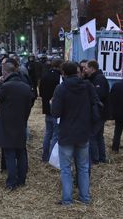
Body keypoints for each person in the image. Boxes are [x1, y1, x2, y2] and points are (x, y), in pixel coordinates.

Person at [51, 61, 93, 205]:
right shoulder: (87, 86)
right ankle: (85, 198)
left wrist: (53, 104)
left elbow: (55, 112)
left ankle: (67, 200)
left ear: (63, 73)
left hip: (67, 132)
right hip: (83, 131)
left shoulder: (61, 89)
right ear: (77, 71)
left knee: (66, 169)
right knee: (83, 167)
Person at [0, 62, 33, 190]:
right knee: (21, 152)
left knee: (9, 154)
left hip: (6, 124)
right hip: (20, 122)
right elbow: (29, 104)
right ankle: (22, 180)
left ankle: (11, 182)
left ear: (4, 73)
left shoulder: (5, 87)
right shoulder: (25, 87)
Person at [85, 60, 110, 164]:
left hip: (99, 112)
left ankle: (95, 159)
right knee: (99, 135)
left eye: (86, 68)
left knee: (93, 135)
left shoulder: (99, 79)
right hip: (99, 112)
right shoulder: (94, 78)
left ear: (92, 68)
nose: (85, 70)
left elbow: (98, 96)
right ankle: (101, 158)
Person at [38, 58, 63, 162]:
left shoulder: (45, 75)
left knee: (48, 133)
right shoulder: (59, 78)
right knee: (55, 135)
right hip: (56, 109)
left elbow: (41, 92)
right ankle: (51, 158)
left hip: (46, 108)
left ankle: (44, 156)